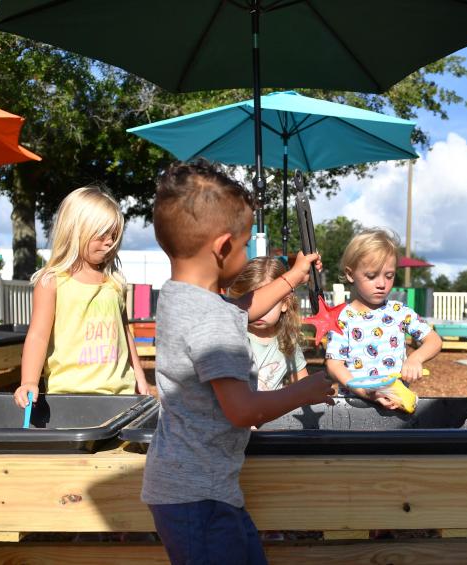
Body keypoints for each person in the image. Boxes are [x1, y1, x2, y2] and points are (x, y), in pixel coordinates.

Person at [141, 161, 335, 565]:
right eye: (246, 245)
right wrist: (307, 389)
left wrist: (294, 276)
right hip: (200, 497)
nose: (246, 254)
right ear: (223, 246)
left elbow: (240, 309)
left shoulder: (181, 297)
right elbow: (242, 411)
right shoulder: (212, 319)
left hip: (193, 488)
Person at [14, 185, 149, 407]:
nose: (110, 242)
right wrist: (28, 381)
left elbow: (125, 333)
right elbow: (38, 335)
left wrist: (139, 377)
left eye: (114, 235)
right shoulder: (52, 281)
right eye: (103, 233)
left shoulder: (114, 282)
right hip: (70, 396)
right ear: (75, 230)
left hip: (120, 395)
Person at [324, 228, 442, 410]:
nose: (381, 284)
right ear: (350, 274)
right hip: (353, 406)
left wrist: (415, 359)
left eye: (389, 276)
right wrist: (365, 393)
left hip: (396, 403)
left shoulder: (399, 312)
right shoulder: (342, 318)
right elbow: (334, 365)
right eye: (371, 276)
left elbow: (433, 340)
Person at [228, 257, 308, 391]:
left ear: (285, 304)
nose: (260, 312)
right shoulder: (235, 336)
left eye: (268, 305)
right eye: (251, 303)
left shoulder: (287, 342)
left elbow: (303, 384)